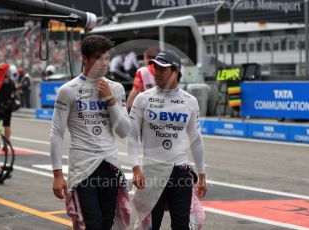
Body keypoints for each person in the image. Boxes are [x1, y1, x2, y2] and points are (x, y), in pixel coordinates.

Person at [50, 35, 131, 230]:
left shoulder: (116, 88)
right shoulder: (68, 90)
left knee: (106, 224)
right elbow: (57, 132)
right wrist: (57, 174)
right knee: (90, 224)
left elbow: (124, 131)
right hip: (82, 167)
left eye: (106, 58)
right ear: (85, 59)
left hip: (110, 165)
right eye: (98, 58)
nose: (104, 63)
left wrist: (110, 100)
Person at [128, 50, 207, 229]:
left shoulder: (190, 101)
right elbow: (132, 136)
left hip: (179, 172)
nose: (156, 72)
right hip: (151, 172)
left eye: (162, 69)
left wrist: (201, 175)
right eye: (155, 68)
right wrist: (135, 169)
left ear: (175, 71)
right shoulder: (143, 99)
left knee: (182, 226)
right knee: (149, 226)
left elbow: (196, 140)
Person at [126, 47, 159, 112]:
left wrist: (126, 112)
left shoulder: (142, 71)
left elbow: (133, 94)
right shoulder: (167, 70)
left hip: (148, 110)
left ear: (145, 57)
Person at [0, 70, 17, 151]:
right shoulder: (12, 82)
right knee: (7, 125)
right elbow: (15, 93)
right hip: (8, 106)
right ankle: (6, 144)